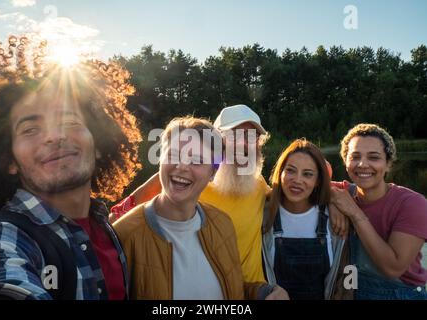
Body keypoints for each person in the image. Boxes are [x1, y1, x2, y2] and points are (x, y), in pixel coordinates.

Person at [0, 36, 141, 299]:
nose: (54, 136)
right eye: (30, 129)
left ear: (98, 144)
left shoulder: (105, 227)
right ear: (9, 161)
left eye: (69, 121)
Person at [112, 104, 348, 283]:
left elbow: (307, 185)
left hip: (254, 292)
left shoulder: (258, 186)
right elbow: (126, 216)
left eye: (252, 137)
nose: (245, 144)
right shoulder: (192, 184)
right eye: (235, 135)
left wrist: (334, 202)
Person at [113, 116, 288, 300]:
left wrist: (265, 292)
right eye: (173, 155)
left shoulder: (225, 219)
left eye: (250, 137)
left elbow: (228, 287)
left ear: (212, 172)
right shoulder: (124, 235)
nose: (181, 167)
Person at [330, 123, 427, 300]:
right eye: (355, 157)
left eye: (374, 157)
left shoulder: (412, 204)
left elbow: (393, 268)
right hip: (355, 290)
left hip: (401, 293)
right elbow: (314, 181)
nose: (363, 164)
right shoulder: (345, 194)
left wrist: (354, 213)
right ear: (346, 162)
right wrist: (331, 201)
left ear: (388, 164)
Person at [262, 139, 345, 300]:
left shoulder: (334, 220)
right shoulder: (263, 216)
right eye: (291, 171)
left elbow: (346, 275)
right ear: (280, 173)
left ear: (318, 181)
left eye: (307, 174)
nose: (297, 180)